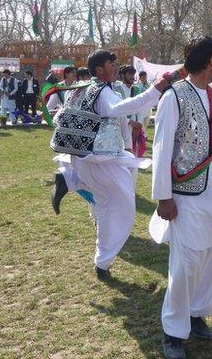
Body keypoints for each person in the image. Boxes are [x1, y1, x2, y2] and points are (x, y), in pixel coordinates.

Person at [149, 36, 212, 359]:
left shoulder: (211, 94)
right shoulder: (174, 97)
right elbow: (161, 149)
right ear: (211, 61)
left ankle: (197, 313)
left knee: (211, 253)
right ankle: (173, 332)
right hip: (184, 195)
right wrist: (162, 196)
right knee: (185, 263)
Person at [49, 49, 168, 279]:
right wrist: (156, 91)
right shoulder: (102, 91)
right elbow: (119, 109)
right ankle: (102, 259)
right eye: (110, 63)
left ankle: (71, 180)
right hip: (100, 159)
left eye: (115, 63)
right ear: (98, 70)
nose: (115, 66)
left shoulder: (84, 88)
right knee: (124, 206)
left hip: (85, 157)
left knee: (105, 206)